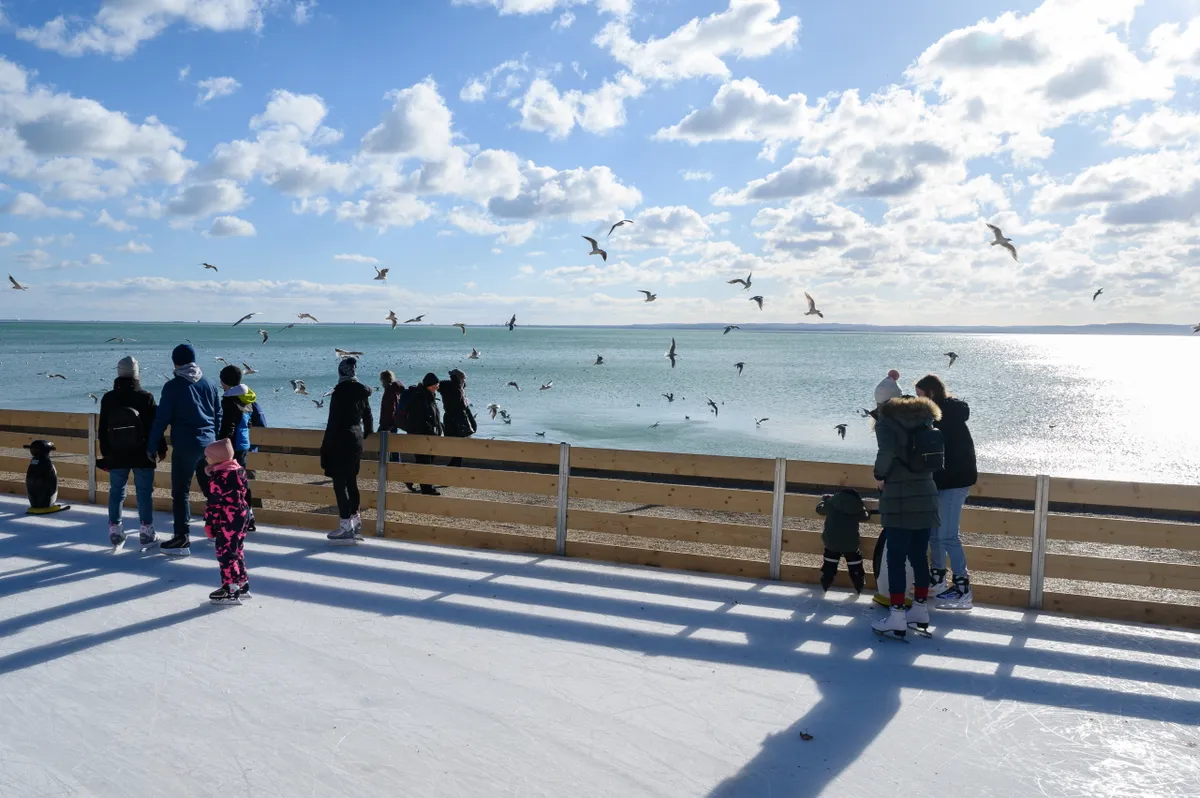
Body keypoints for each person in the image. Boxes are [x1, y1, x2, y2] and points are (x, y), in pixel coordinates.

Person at [870, 394, 942, 639]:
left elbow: (886, 454)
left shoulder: (886, 422)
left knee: (896, 557)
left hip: (899, 494)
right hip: (926, 493)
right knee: (919, 556)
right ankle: (920, 610)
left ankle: (897, 615)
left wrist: (878, 475)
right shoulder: (927, 420)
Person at [146, 343, 221, 556]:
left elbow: (161, 420)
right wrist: (213, 439)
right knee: (210, 490)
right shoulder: (210, 383)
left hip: (186, 445)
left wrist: (152, 446)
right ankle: (217, 529)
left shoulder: (173, 386)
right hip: (209, 445)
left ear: (175, 362)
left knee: (181, 492)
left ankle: (181, 538)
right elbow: (218, 414)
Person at [916, 374, 977, 608]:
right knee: (934, 533)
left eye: (921, 395)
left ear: (930, 393)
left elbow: (955, 456)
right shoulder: (937, 417)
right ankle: (938, 578)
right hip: (942, 482)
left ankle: (963, 588)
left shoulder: (947, 417)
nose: (919, 401)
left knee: (948, 535)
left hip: (955, 482)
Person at [98, 356, 166, 547]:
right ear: (137, 374)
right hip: (142, 453)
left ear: (118, 372)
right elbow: (155, 427)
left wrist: (106, 453)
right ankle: (146, 530)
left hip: (116, 452)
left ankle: (115, 528)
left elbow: (102, 429)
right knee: (144, 492)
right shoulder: (146, 397)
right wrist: (160, 449)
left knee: (116, 491)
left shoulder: (108, 398)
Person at [320, 357, 374, 542]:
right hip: (356, 438)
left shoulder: (339, 392)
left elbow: (333, 421)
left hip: (340, 439)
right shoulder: (362, 391)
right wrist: (365, 434)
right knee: (352, 481)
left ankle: (345, 525)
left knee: (339, 483)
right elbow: (368, 418)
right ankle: (355, 521)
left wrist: (325, 447)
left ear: (341, 372)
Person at [202, 438, 251, 604]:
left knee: (225, 553)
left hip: (227, 520)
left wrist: (209, 524)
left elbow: (214, 505)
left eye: (208, 456)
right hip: (242, 516)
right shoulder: (239, 471)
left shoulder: (219, 479)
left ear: (218, 458)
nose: (206, 459)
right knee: (237, 550)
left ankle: (230, 588)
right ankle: (242, 582)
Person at [218, 365, 266, 532]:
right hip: (243, 445)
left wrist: (220, 443)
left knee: (230, 484)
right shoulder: (247, 399)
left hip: (231, 447)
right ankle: (249, 514)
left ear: (225, 381)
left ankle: (234, 517)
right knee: (242, 482)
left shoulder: (229, 401)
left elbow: (228, 426)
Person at [815, 489, 870, 594]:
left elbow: (819, 510)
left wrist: (824, 501)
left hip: (831, 541)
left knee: (830, 562)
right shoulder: (857, 506)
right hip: (850, 542)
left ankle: (826, 580)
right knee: (855, 562)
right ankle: (858, 582)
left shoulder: (832, 503)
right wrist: (864, 508)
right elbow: (866, 517)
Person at [403, 373, 443, 496]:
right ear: (429, 385)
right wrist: (430, 429)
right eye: (435, 384)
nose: (437, 386)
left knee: (426, 461)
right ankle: (427, 489)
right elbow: (420, 418)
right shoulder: (420, 397)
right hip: (421, 435)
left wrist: (439, 428)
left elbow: (434, 415)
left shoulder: (429, 395)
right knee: (425, 461)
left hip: (429, 435)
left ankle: (410, 480)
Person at [379, 370, 416, 492]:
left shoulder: (390, 391)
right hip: (388, 425)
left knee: (389, 454)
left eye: (381, 380)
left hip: (388, 426)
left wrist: (390, 424)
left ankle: (404, 479)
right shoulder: (393, 390)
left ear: (384, 380)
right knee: (391, 454)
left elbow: (392, 409)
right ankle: (402, 479)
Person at [438, 368, 476, 468]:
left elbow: (434, 384)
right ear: (460, 379)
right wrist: (472, 423)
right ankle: (454, 465)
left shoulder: (445, 386)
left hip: (449, 418)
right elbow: (465, 408)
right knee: (459, 445)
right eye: (463, 380)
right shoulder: (459, 389)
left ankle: (453, 465)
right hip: (460, 420)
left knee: (453, 444)